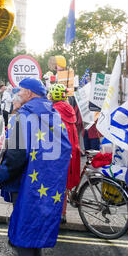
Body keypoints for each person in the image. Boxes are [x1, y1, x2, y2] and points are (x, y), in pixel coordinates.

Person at [0, 78, 72, 256]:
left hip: (26, 178)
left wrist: (0, 174)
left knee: (24, 218)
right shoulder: (55, 115)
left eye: (20, 91)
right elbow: (66, 149)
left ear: (29, 93)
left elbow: (17, 154)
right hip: (47, 180)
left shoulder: (23, 117)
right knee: (37, 216)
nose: (17, 94)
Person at [48, 84, 81, 224]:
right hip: (72, 151)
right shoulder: (69, 110)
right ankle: (63, 213)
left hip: (60, 153)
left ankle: (56, 213)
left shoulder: (54, 111)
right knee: (65, 183)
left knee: (57, 183)